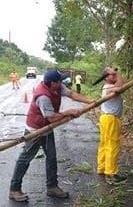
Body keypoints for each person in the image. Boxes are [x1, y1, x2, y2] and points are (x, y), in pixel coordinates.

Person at [9, 69, 94, 202]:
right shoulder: (43, 96)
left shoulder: (57, 86)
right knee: (25, 159)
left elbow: (71, 94)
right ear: (53, 83)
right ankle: (14, 189)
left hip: (47, 129)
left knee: (52, 157)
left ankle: (52, 187)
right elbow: (51, 118)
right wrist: (68, 112)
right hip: (35, 130)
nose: (62, 83)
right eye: (60, 80)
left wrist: (89, 101)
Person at [96, 67, 126, 185]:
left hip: (106, 119)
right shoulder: (109, 88)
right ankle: (111, 173)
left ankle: (102, 168)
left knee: (104, 144)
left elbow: (124, 82)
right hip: (110, 119)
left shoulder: (109, 86)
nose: (114, 77)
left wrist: (116, 73)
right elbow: (120, 88)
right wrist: (117, 73)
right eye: (111, 75)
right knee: (112, 146)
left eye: (114, 75)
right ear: (106, 77)